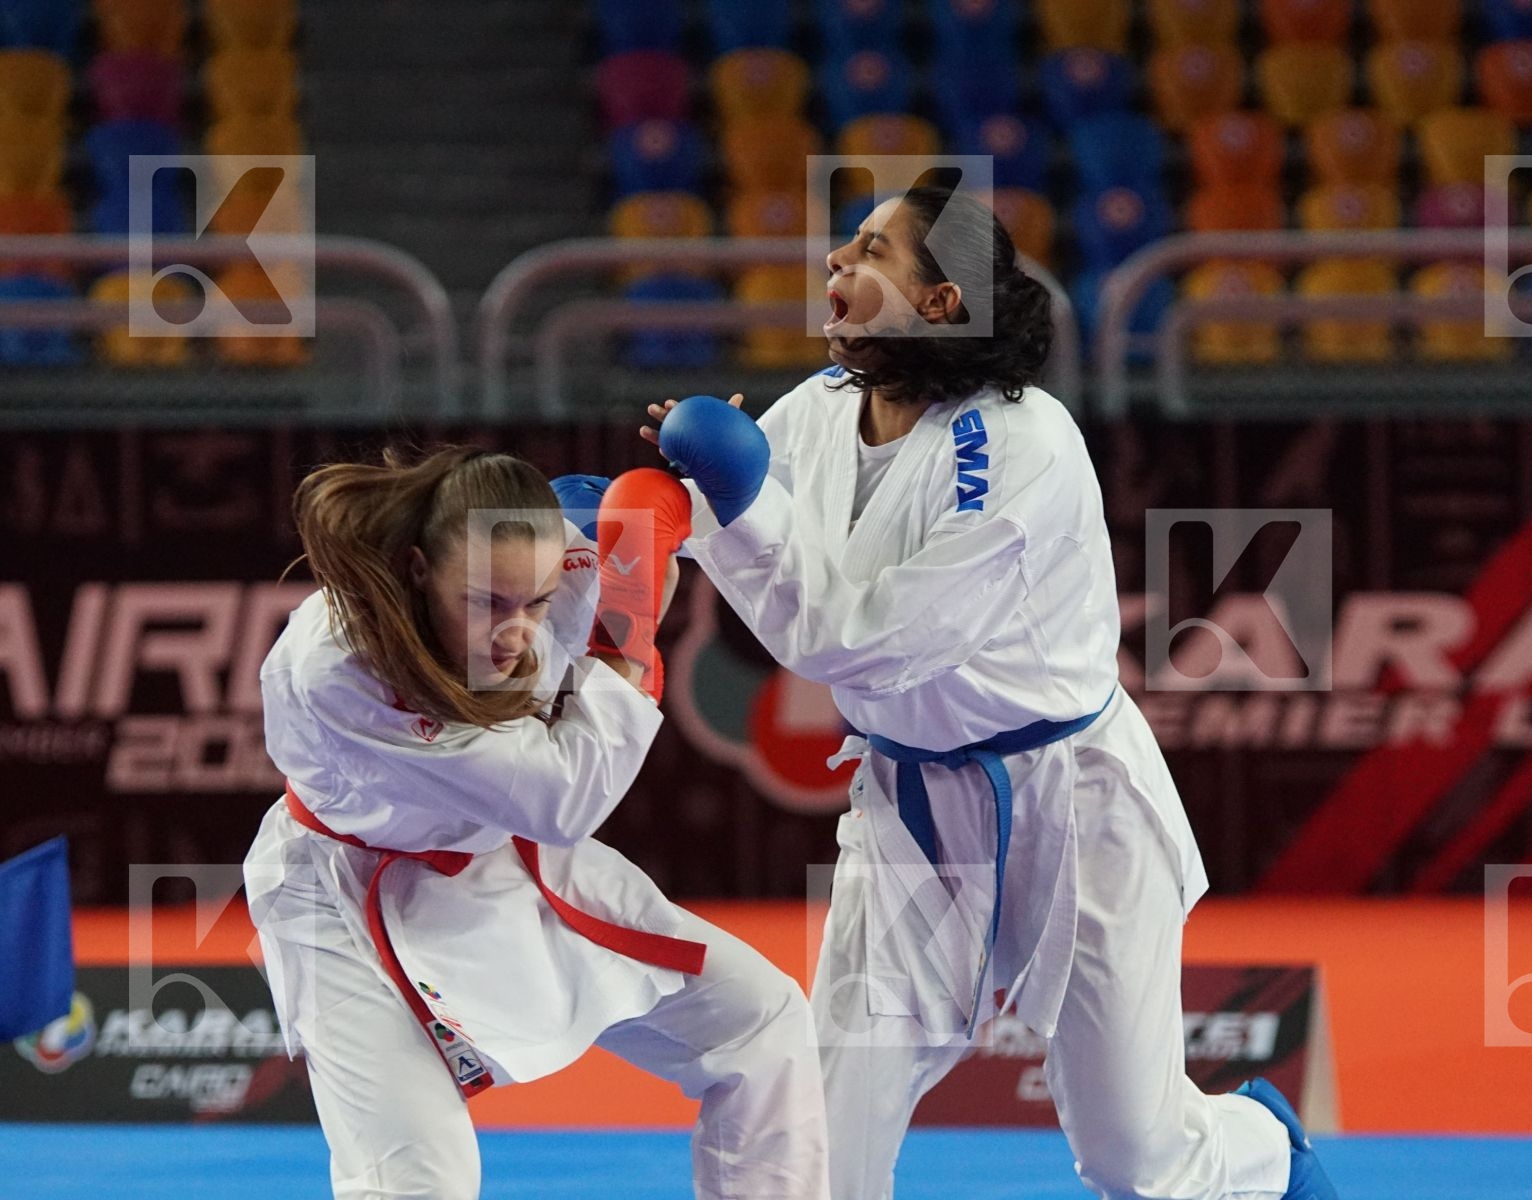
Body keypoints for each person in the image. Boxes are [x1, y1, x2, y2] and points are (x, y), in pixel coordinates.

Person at [643, 186, 1338, 1200]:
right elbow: (716, 516)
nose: (836, 258)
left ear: (939, 301)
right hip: (911, 813)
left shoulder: (1020, 444)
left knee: (1136, 1158)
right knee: (834, 1124)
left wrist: (741, 502)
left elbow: (868, 643)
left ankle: (1263, 1149)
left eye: (872, 249)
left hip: (1072, 803)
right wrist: (626, 522)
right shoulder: (821, 407)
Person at [243, 445, 828, 1200]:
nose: (515, 631)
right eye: (487, 602)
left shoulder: (570, 552)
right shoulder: (342, 666)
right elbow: (563, 799)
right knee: (419, 1178)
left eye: (536, 602)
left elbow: (690, 531)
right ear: (420, 569)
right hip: (347, 901)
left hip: (503, 861)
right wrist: (628, 638)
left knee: (760, 1018)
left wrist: (715, 483)